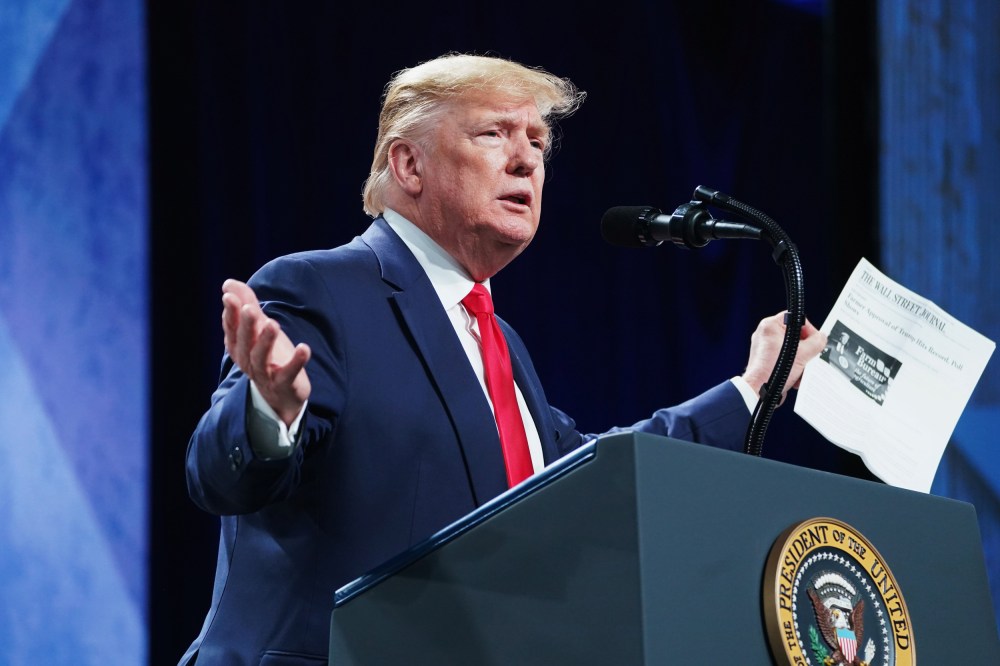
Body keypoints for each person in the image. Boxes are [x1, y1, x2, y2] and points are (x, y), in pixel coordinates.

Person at [180, 53, 826, 664]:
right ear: (409, 166)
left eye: (539, 144)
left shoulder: (498, 343)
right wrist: (267, 414)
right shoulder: (319, 289)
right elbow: (220, 475)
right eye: (494, 134)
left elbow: (601, 474)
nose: (526, 162)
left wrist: (754, 389)